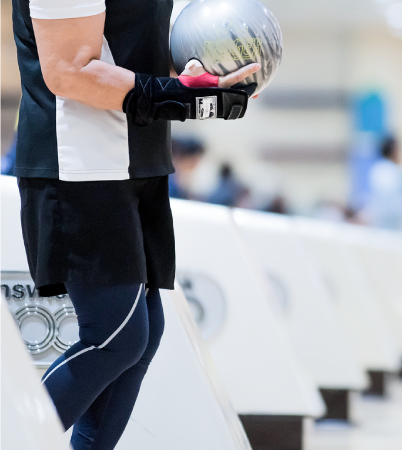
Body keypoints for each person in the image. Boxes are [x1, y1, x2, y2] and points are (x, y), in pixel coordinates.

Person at [12, 1, 259, 449]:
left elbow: (132, 48)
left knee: (142, 336)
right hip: (80, 163)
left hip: (136, 158)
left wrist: (204, 81)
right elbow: (68, 71)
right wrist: (181, 99)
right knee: (117, 336)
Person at [361, 135, 402, 230]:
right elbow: (392, 203)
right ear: (393, 151)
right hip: (389, 223)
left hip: (384, 222)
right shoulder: (390, 170)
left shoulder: (378, 169)